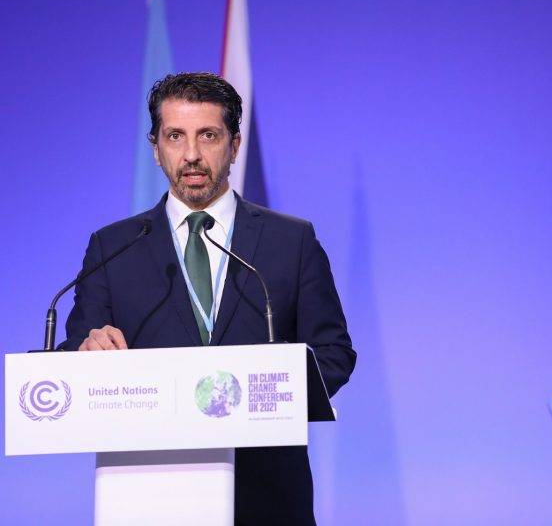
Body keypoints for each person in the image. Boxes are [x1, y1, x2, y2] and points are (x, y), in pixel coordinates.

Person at [58, 72, 356, 525]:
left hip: (268, 497)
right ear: (156, 148)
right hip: (149, 494)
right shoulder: (113, 247)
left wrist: (269, 390)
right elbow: (74, 355)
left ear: (234, 145)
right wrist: (87, 350)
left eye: (208, 136)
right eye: (175, 136)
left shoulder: (291, 241)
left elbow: (333, 353)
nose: (192, 154)